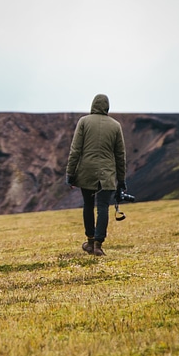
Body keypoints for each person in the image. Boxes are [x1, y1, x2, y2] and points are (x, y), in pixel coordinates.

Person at [65, 93, 127, 256]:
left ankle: (90, 241)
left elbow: (75, 150)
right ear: (107, 107)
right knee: (103, 208)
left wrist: (70, 174)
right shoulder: (115, 125)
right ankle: (99, 244)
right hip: (107, 174)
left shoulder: (84, 122)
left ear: (93, 105)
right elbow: (120, 155)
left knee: (87, 205)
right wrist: (121, 180)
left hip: (86, 172)